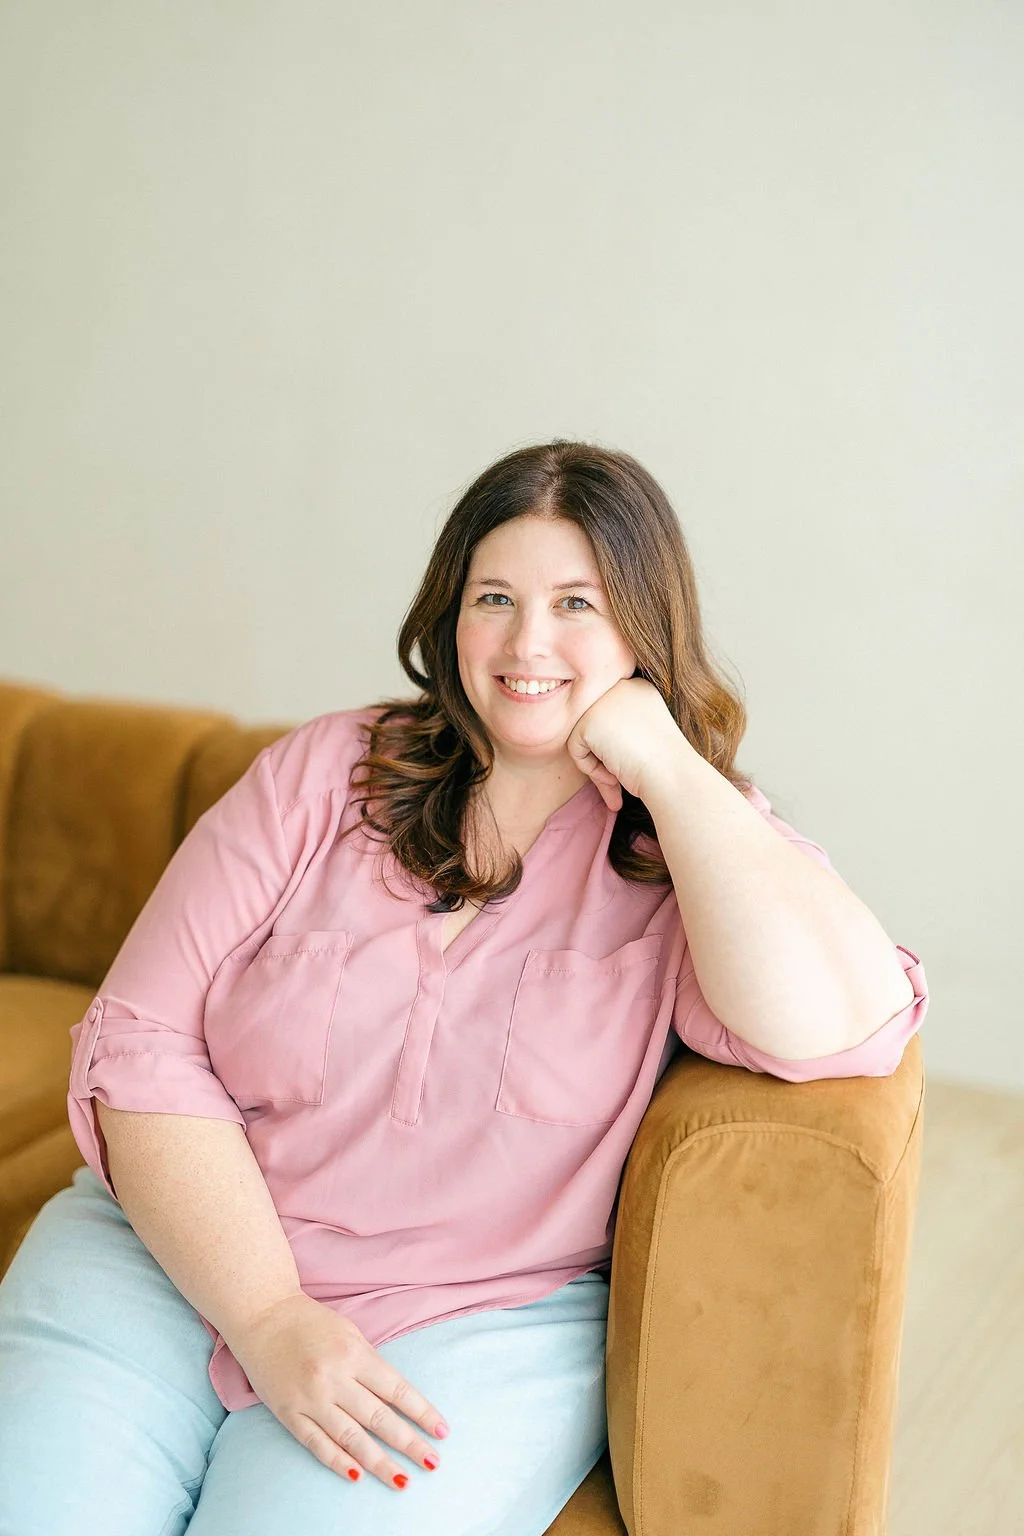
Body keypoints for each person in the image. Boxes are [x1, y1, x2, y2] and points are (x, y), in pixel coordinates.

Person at [0, 440, 928, 1535]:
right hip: (162, 1253)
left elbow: (842, 1030)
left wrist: (668, 767)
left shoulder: (687, 850)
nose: (527, 643)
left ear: (644, 625)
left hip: (466, 1316)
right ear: (450, 617)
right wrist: (266, 1314)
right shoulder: (321, 774)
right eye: (495, 597)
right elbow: (141, 1039)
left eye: (577, 603)